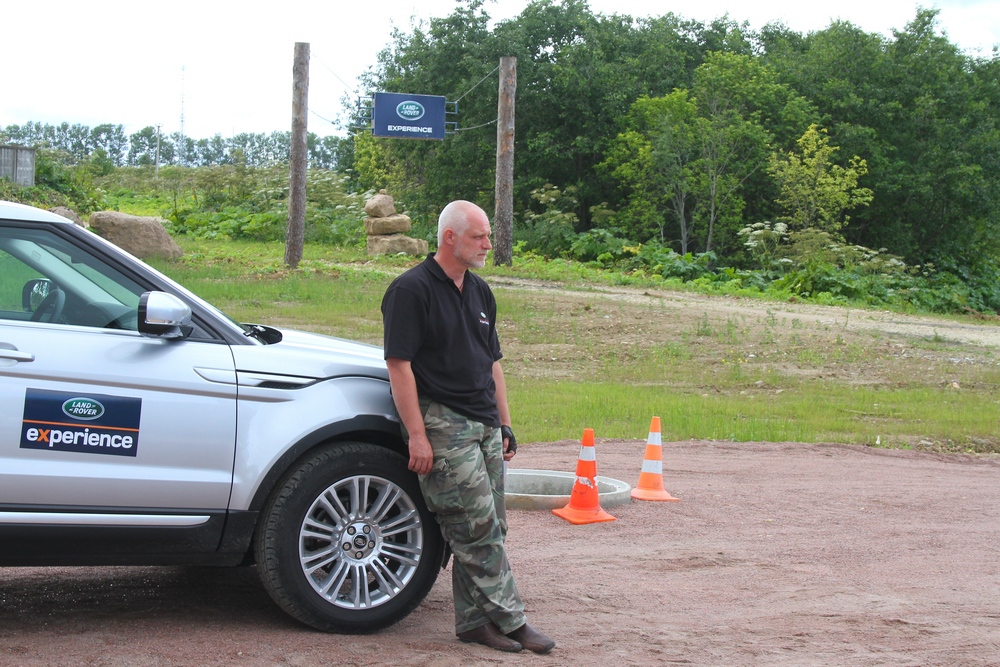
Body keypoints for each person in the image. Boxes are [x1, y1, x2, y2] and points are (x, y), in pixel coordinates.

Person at [381, 200, 555, 654]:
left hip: (483, 422)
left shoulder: (480, 291)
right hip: (442, 421)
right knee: (474, 526)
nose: (487, 244)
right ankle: (513, 621)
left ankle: (475, 623)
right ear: (450, 238)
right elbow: (398, 366)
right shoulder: (410, 290)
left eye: (487, 236)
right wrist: (417, 434)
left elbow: (491, 362)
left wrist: (505, 423)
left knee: (492, 525)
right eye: (479, 236)